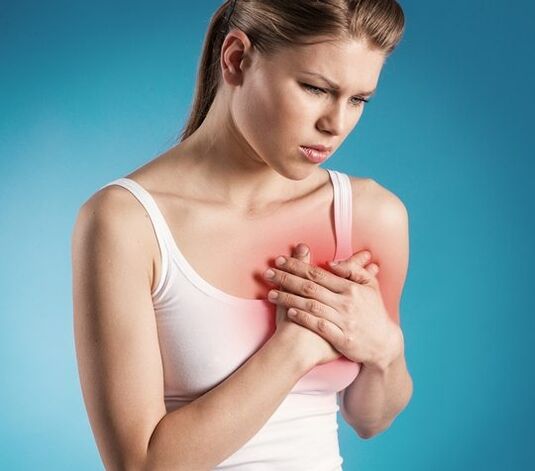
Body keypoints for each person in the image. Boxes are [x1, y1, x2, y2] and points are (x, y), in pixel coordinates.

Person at [71, 1, 412, 469]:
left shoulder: (371, 215)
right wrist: (294, 349)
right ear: (236, 59)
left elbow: (370, 419)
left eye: (358, 100)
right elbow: (140, 465)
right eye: (315, 88)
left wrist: (386, 350)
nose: (335, 124)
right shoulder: (126, 222)